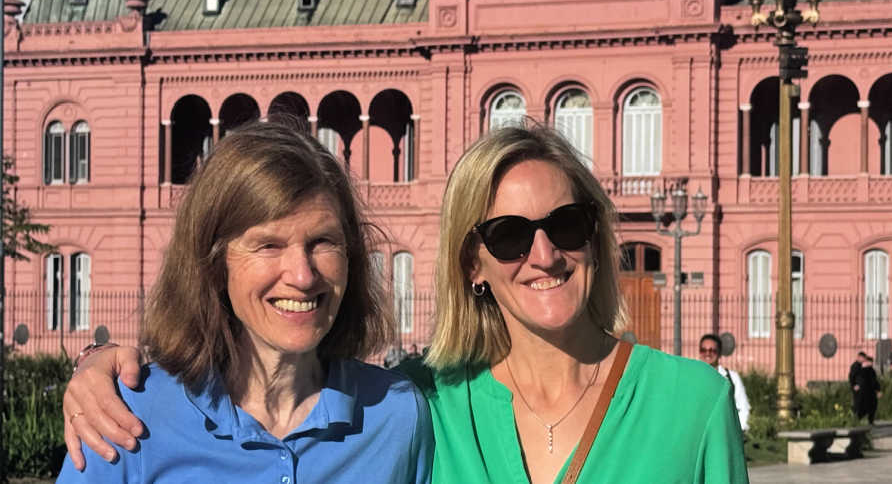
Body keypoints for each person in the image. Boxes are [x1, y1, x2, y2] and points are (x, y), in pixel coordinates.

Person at [63, 123, 748, 483]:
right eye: (508, 236)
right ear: (472, 262)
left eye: (565, 227)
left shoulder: (395, 413)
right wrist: (100, 367)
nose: (543, 256)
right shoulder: (430, 401)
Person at [56, 121, 433, 482]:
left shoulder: (396, 418)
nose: (302, 276)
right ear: (215, 262)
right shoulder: (128, 417)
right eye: (269, 245)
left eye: (323, 242)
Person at [699, 333, 750, 434]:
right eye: (703, 350)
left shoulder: (732, 377)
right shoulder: (694, 376)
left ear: (719, 353)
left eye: (712, 350)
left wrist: (737, 431)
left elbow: (743, 407)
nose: (707, 354)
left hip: (725, 432)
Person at [849, 353, 882, 424]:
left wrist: (878, 390)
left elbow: (874, 381)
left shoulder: (871, 370)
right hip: (862, 392)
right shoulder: (857, 367)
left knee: (872, 406)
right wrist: (854, 386)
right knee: (860, 406)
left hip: (871, 392)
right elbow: (852, 378)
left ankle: (870, 420)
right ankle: (856, 419)